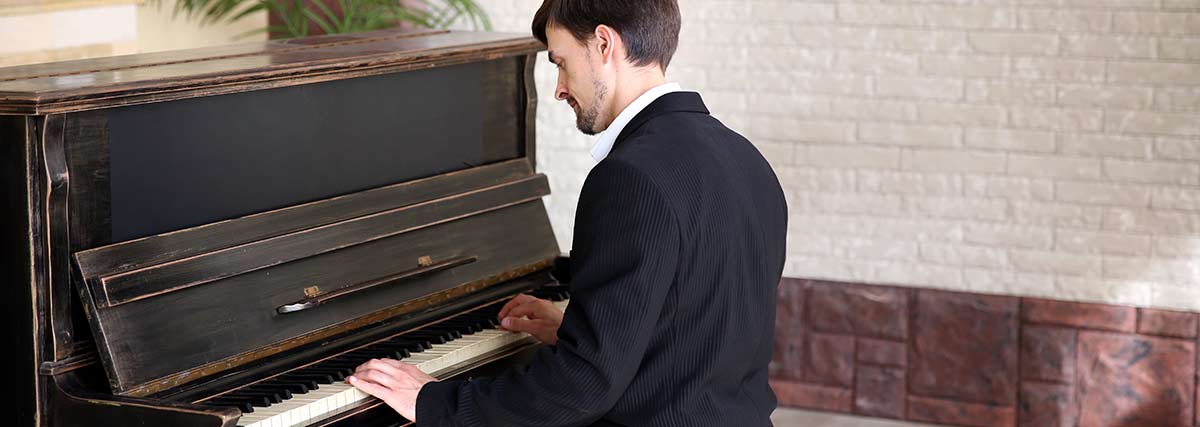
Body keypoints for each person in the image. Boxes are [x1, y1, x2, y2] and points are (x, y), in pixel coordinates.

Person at [348, 1, 788, 425]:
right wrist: (577, 332)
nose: (559, 88)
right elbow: (693, 330)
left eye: (560, 61)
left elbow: (583, 387)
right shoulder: (744, 157)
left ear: (603, 44)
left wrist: (433, 402)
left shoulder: (629, 176)